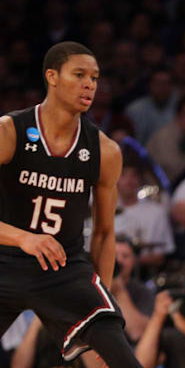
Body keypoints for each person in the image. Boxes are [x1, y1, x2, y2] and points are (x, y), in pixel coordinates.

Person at [0, 41, 141, 366]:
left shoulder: (104, 151)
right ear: (52, 76)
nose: (90, 84)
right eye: (79, 75)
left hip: (63, 268)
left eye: (95, 77)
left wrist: (100, 297)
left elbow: (105, 233)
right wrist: (24, 237)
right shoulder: (10, 132)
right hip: (5, 258)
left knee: (120, 356)